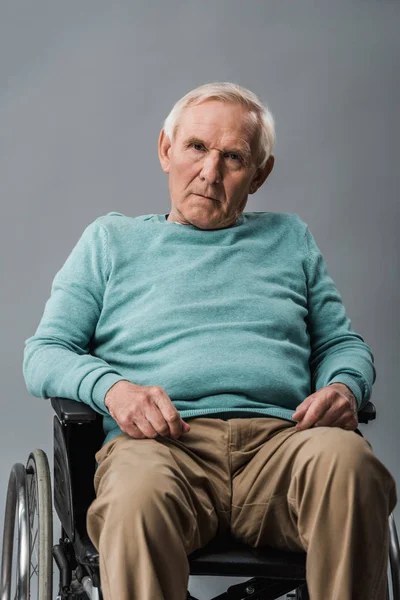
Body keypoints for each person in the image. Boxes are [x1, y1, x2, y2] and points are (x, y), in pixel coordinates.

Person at [23, 82, 397, 600]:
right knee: (134, 497)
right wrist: (115, 391)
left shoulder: (290, 239)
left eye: (234, 157)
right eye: (197, 147)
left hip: (283, 445)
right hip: (161, 447)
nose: (210, 172)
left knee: (353, 467)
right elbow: (44, 353)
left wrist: (345, 386)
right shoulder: (111, 242)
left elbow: (342, 344)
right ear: (166, 149)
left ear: (260, 174)